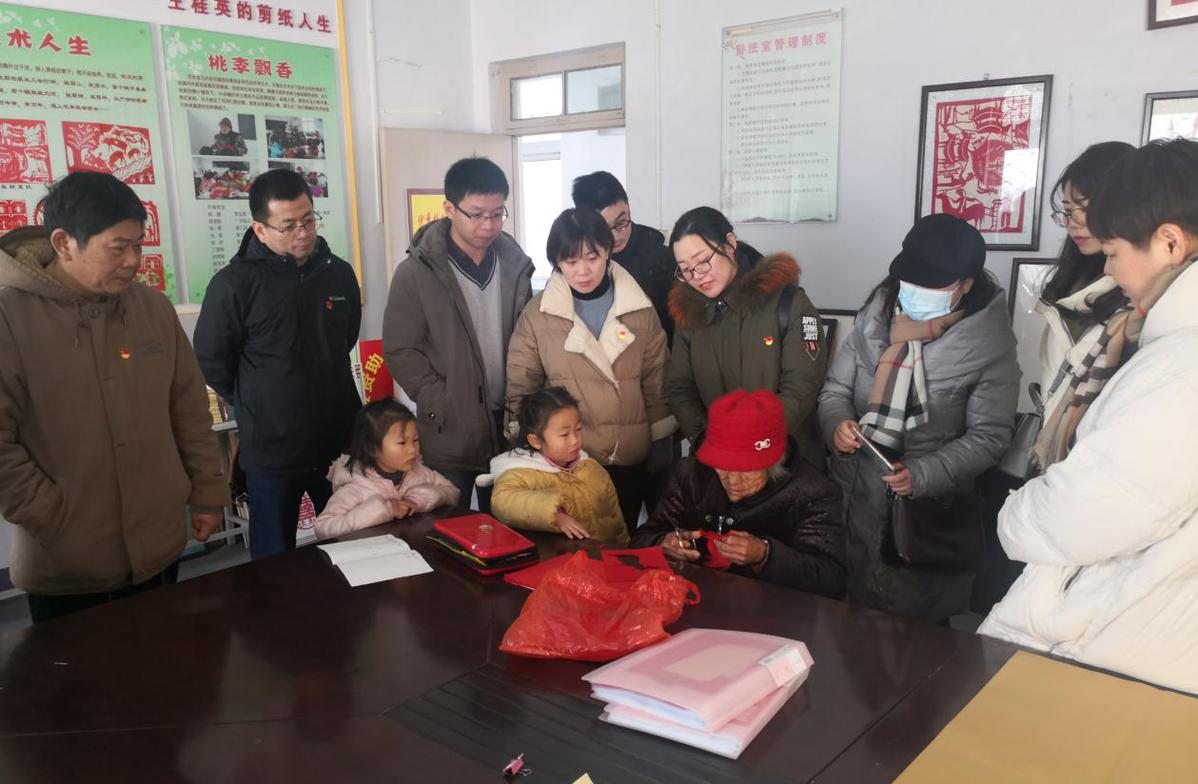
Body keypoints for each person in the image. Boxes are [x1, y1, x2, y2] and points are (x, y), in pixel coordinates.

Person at [980, 138, 1198, 695]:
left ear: (1169, 242)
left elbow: (1088, 512)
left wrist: (1016, 512)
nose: (1107, 266)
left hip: (1124, 648)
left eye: (1115, 251)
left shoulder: (1181, 368)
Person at [0, 172, 228, 623]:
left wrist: (206, 492)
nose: (133, 261)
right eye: (118, 247)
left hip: (159, 543)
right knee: (78, 668)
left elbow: (188, 411)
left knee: (163, 656)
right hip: (67, 560)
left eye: (138, 245)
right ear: (64, 243)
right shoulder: (10, 317)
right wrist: (50, 513)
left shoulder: (153, 309)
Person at [817, 214, 1018, 623]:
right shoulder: (874, 320)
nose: (915, 291)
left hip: (924, 518)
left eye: (932, 285)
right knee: (844, 626)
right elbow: (835, 391)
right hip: (853, 501)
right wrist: (836, 424)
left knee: (911, 642)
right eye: (910, 280)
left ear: (965, 284)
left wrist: (924, 474)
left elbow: (990, 435)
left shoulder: (988, 345)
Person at [194, 168, 361, 560]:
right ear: (260, 229)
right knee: (273, 560)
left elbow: (346, 338)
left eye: (308, 220)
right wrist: (257, 400)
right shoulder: (234, 284)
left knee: (351, 547)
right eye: (288, 226)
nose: (302, 233)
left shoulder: (337, 273)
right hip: (272, 449)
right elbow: (212, 358)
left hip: (337, 442)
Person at [505, 208, 673, 535]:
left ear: (608, 251)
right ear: (557, 262)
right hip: (567, 464)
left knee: (624, 546)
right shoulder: (539, 316)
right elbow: (521, 385)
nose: (582, 271)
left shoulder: (639, 309)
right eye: (570, 261)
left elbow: (657, 381)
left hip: (629, 456)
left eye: (592, 258)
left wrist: (661, 441)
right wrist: (521, 442)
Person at [382, 157, 533, 510]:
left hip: (509, 421)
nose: (488, 225)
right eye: (476, 214)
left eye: (497, 213)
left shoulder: (515, 265)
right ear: (449, 208)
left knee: (511, 521)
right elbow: (401, 349)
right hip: (451, 427)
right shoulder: (416, 273)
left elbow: (529, 337)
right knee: (451, 527)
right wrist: (440, 399)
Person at [632, 390, 846, 597]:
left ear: (774, 464)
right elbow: (641, 539)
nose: (733, 482)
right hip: (693, 601)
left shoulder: (813, 492)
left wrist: (765, 554)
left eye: (746, 472)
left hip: (775, 613)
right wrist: (662, 544)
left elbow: (830, 581)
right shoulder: (692, 475)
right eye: (722, 469)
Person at [666, 206, 828, 467]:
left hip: (786, 464)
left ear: (730, 243)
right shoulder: (689, 314)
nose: (697, 275)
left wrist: (751, 446)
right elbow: (680, 388)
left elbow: (801, 387)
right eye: (685, 269)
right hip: (718, 465)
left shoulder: (789, 303)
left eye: (703, 260)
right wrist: (708, 442)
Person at [1027, 141, 1134, 472]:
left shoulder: (1135, 298)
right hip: (1054, 449)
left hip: (1096, 460)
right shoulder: (1070, 283)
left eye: (1083, 207)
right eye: (1067, 209)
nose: (1071, 221)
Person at [479, 387, 628, 546]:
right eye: (565, 434)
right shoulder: (520, 472)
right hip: (560, 558)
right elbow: (503, 501)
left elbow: (615, 520)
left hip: (605, 557)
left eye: (578, 429)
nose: (575, 440)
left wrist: (624, 550)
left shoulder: (592, 468)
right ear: (535, 441)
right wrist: (554, 515)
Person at [314, 399, 459, 540]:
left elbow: (452, 491)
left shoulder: (419, 471)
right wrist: (383, 510)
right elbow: (323, 527)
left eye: (415, 440)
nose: (413, 450)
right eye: (402, 442)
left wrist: (421, 499)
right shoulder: (356, 487)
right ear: (372, 449)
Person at [572, 170, 675, 345]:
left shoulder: (660, 258)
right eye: (604, 229)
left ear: (629, 209)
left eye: (621, 222)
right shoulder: (575, 265)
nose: (616, 236)